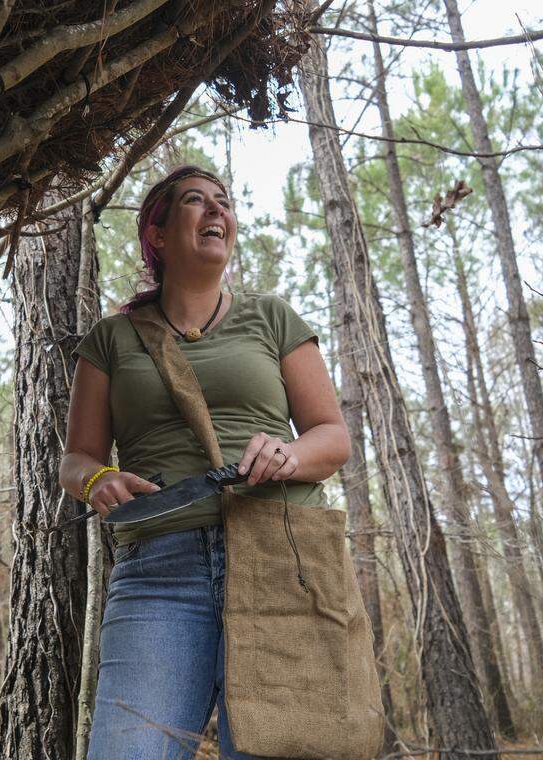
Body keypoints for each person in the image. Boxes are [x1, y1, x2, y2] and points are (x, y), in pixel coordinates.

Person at [60, 165, 352, 759]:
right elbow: (77, 459)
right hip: (158, 572)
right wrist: (98, 479)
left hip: (282, 562)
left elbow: (332, 438)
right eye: (197, 201)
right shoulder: (112, 339)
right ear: (158, 235)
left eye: (225, 202)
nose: (218, 210)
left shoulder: (272, 318)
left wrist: (289, 454)